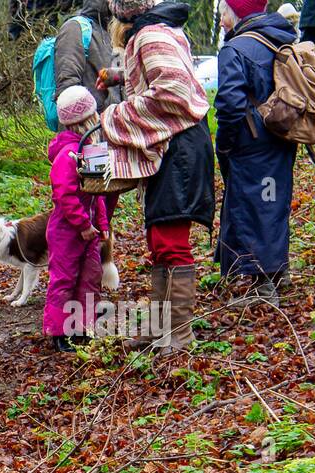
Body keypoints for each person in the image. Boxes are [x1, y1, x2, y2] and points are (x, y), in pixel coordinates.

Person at [99, 0, 214, 353]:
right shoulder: (152, 34)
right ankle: (159, 328)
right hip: (171, 148)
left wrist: (116, 114)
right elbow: (164, 78)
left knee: (171, 241)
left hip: (179, 150)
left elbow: (175, 92)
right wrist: (123, 77)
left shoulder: (150, 37)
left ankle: (179, 335)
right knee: (158, 240)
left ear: (125, 13)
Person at [215, 0, 297, 309]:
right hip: (283, 135)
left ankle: (264, 287)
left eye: (224, 12)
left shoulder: (236, 48)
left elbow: (230, 104)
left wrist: (225, 142)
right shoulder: (280, 38)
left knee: (254, 207)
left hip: (252, 142)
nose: (223, 20)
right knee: (273, 203)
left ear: (237, 12)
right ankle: (280, 274)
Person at [44, 87, 110, 349]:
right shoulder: (68, 154)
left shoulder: (92, 150)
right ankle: (59, 333)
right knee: (64, 278)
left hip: (88, 228)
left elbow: (99, 193)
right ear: (85, 121)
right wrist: (83, 224)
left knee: (90, 276)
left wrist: (101, 224)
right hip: (67, 230)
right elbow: (65, 194)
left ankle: (84, 327)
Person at [56, 0, 120, 110]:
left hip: (116, 122)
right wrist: (89, 121)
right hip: (91, 124)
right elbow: (67, 89)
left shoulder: (117, 29)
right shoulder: (74, 27)